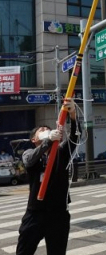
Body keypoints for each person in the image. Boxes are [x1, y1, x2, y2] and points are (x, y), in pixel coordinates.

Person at [17, 99, 79, 255]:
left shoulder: (61, 152)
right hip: (35, 213)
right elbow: (30, 161)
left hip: (58, 214)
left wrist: (73, 115)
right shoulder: (29, 153)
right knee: (24, 251)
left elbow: (74, 138)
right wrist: (46, 142)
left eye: (48, 129)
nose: (46, 129)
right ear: (34, 140)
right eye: (42, 129)